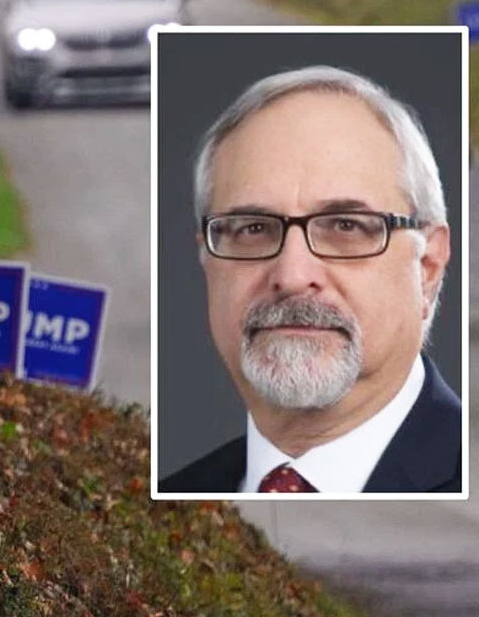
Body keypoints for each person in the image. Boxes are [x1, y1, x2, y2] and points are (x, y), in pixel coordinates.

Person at [160, 65, 461, 494]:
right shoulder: (183, 493)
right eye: (253, 228)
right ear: (206, 258)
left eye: (345, 226)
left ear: (428, 266)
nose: (293, 275)